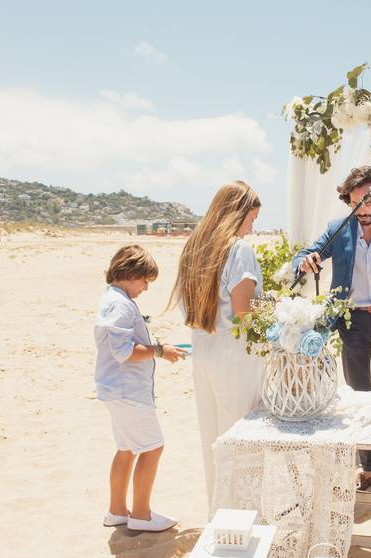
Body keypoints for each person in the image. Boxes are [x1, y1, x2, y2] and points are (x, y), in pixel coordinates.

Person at [293, 166, 371, 491]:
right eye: (355, 204)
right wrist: (305, 261)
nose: (362, 211)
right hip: (351, 322)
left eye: (367, 202)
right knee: (358, 394)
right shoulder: (339, 228)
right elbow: (306, 254)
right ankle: (368, 468)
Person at [170, 181, 263, 507]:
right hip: (235, 353)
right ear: (238, 212)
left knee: (214, 436)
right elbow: (243, 309)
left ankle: (221, 514)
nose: (254, 225)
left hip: (203, 348)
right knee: (242, 436)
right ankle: (245, 516)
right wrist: (274, 308)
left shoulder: (194, 249)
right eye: (253, 217)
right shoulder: (239, 250)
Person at [94, 245, 185, 532]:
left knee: (126, 448)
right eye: (144, 280)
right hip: (127, 391)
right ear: (130, 273)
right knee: (152, 447)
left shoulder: (112, 299)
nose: (146, 287)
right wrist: (160, 350)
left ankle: (117, 510)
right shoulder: (120, 304)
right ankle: (142, 515)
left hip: (114, 389)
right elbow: (123, 351)